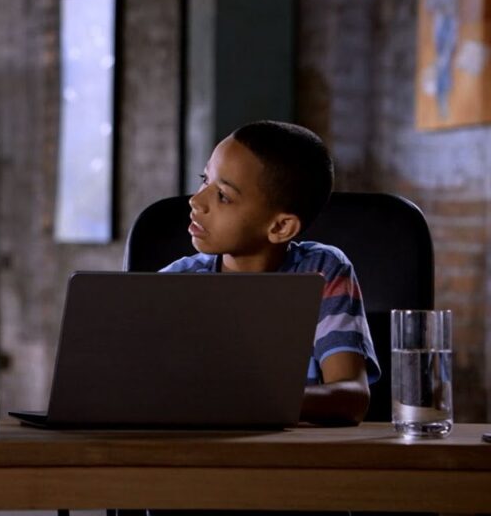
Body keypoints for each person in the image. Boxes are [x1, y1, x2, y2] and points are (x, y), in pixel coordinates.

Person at [161, 120, 379, 426]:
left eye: (223, 195)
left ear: (280, 227)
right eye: (204, 179)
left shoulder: (321, 272)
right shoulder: (173, 283)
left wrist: (241, 400)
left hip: (294, 451)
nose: (196, 201)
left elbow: (352, 399)